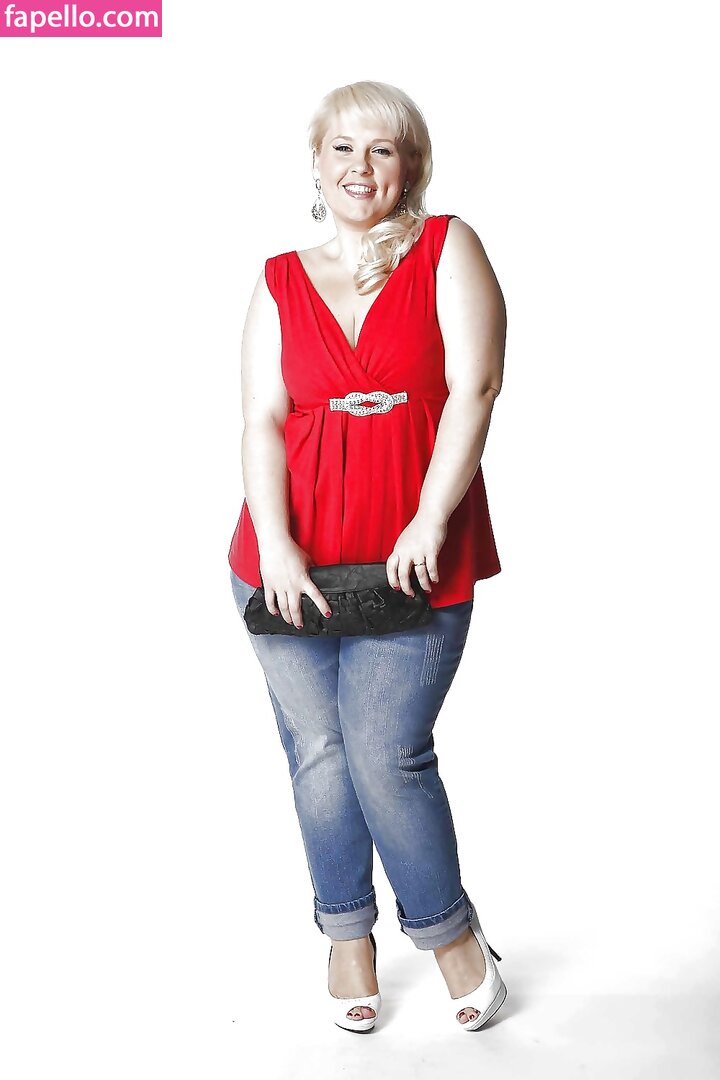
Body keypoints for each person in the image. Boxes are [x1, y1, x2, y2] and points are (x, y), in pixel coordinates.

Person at [227, 80, 507, 1032]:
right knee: (318, 754)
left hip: (411, 560)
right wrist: (274, 545)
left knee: (388, 755)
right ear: (316, 164)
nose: (360, 166)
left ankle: (451, 934)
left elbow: (476, 387)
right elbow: (262, 419)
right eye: (342, 148)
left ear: (410, 166)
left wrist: (430, 519)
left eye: (382, 149)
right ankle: (347, 934)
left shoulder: (447, 249)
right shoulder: (279, 277)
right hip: (285, 562)